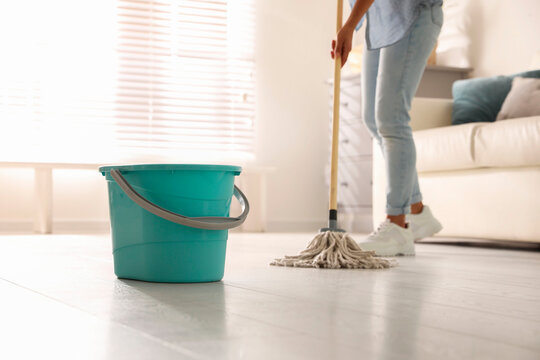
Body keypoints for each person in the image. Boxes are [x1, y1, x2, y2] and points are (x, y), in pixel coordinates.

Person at [331, 0, 444, 256]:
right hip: (381, 19)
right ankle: (417, 211)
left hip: (413, 13)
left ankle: (397, 224)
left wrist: (349, 26)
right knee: (373, 118)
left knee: (391, 118)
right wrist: (349, 24)